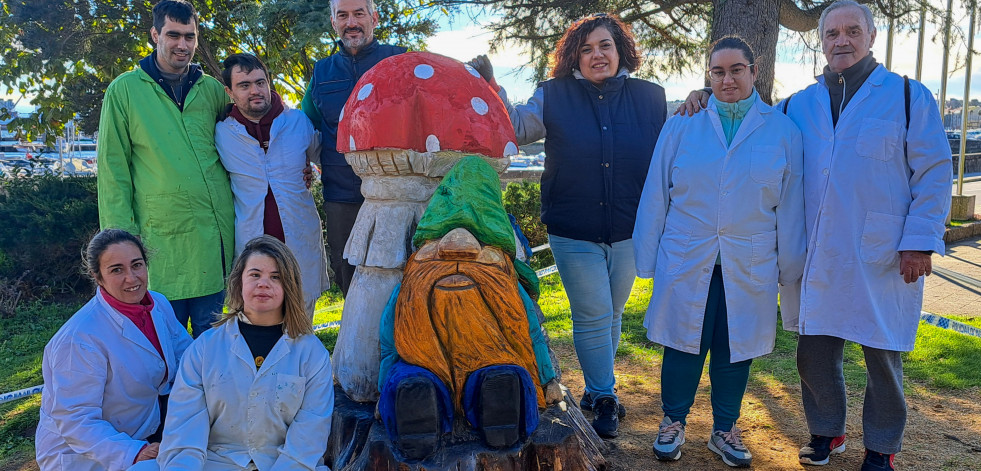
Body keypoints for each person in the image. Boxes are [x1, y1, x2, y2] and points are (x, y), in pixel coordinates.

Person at [680, 2, 951, 469]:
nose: (841, 40)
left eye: (851, 31)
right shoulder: (796, 104)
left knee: (882, 357)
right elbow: (750, 122)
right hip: (815, 254)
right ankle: (827, 433)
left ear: (870, 37)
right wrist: (705, 94)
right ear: (820, 41)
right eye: (832, 33)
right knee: (814, 353)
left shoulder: (908, 96)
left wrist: (919, 240)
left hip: (882, 254)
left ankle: (882, 447)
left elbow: (934, 171)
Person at [469, 13, 667, 438]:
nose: (597, 55)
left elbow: (678, 141)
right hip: (573, 227)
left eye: (605, 46)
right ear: (573, 56)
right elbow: (516, 126)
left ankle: (598, 390)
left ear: (621, 51)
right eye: (587, 48)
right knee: (594, 312)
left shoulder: (651, 98)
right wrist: (491, 88)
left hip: (631, 227)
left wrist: (701, 99)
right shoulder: (553, 96)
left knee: (612, 313)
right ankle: (605, 394)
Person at [634, 36, 806, 468]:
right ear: (708, 75)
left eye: (736, 70)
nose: (727, 79)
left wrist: (790, 270)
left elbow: (790, 207)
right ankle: (673, 421)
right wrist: (646, 256)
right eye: (718, 71)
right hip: (687, 256)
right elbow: (656, 193)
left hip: (749, 260)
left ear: (754, 69)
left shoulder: (782, 131)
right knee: (682, 343)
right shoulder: (683, 124)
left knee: (735, 347)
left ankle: (725, 429)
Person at [97, 0, 234, 338]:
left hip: (212, 249)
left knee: (211, 351)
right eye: (173, 35)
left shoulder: (213, 90)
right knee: (161, 356)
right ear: (155, 34)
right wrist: (119, 245)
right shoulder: (124, 91)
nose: (182, 45)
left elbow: (247, 136)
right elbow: (113, 170)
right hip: (160, 252)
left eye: (190, 36)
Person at [145, 236, 333, 470]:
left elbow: (309, 436)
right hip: (214, 463)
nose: (264, 283)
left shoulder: (312, 354)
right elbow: (184, 433)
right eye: (255, 275)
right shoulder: (205, 349)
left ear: (289, 286)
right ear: (238, 283)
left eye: (275, 277)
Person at [35, 229, 193, 470]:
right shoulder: (79, 338)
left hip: (139, 429)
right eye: (116, 270)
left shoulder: (157, 304)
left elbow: (187, 355)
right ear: (97, 277)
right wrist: (134, 452)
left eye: (137, 265)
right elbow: (76, 419)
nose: (132, 278)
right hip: (84, 454)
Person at [300, 0, 406, 296]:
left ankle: (399, 342)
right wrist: (301, 165)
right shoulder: (321, 72)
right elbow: (305, 126)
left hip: (394, 193)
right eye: (343, 15)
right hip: (341, 196)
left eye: (359, 13)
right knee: (350, 277)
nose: (351, 22)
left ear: (374, 17)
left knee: (401, 272)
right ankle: (357, 342)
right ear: (333, 22)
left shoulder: (400, 60)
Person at [215, 53, 330, 317]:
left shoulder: (298, 122)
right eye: (244, 85)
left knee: (301, 324)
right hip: (251, 247)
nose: (255, 91)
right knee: (255, 326)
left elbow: (327, 160)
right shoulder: (222, 133)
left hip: (299, 244)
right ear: (229, 92)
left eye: (260, 82)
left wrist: (311, 173)